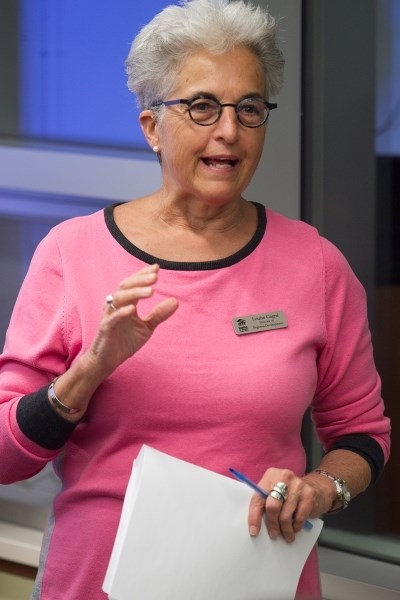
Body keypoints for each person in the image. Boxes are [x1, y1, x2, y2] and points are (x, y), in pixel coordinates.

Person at [0, 0, 390, 598]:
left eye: (249, 108)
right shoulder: (70, 254)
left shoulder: (316, 264)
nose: (228, 130)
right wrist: (90, 370)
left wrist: (322, 488)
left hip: (262, 584)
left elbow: (363, 434)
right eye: (202, 106)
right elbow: (6, 458)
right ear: (152, 127)